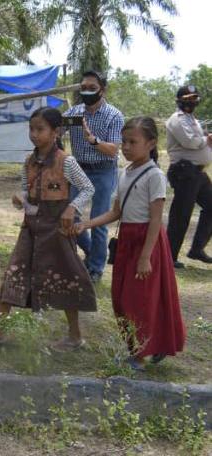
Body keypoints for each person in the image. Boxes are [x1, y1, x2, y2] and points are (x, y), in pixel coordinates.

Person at [0, 107, 96, 352]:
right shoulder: (28, 162)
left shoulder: (67, 161)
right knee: (13, 274)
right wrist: (20, 198)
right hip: (30, 229)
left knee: (67, 278)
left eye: (40, 129)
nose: (34, 134)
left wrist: (71, 208)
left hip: (57, 231)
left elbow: (88, 188)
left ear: (55, 132)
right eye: (31, 129)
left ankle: (75, 335)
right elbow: (25, 191)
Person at [75, 117, 185, 371]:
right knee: (120, 298)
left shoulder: (155, 175)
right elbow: (116, 212)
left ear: (150, 144)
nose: (125, 147)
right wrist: (86, 225)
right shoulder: (125, 172)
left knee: (141, 299)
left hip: (146, 242)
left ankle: (140, 355)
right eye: (123, 141)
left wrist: (146, 256)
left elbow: (156, 220)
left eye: (132, 142)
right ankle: (141, 346)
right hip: (126, 240)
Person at [64, 70, 125, 282]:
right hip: (78, 170)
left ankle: (96, 269)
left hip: (104, 170)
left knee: (98, 220)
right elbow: (55, 130)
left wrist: (93, 140)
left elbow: (113, 150)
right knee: (69, 216)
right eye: (83, 88)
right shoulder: (73, 113)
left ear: (102, 90)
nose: (87, 92)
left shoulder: (114, 115)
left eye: (92, 88)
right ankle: (91, 253)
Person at [164, 85, 212, 268]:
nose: (191, 101)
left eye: (194, 98)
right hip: (184, 171)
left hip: (197, 172)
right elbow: (190, 141)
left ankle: (197, 249)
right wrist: (206, 140)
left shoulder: (192, 120)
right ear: (179, 99)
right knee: (181, 215)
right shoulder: (177, 119)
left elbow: (197, 140)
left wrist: (206, 140)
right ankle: (169, 256)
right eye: (187, 98)